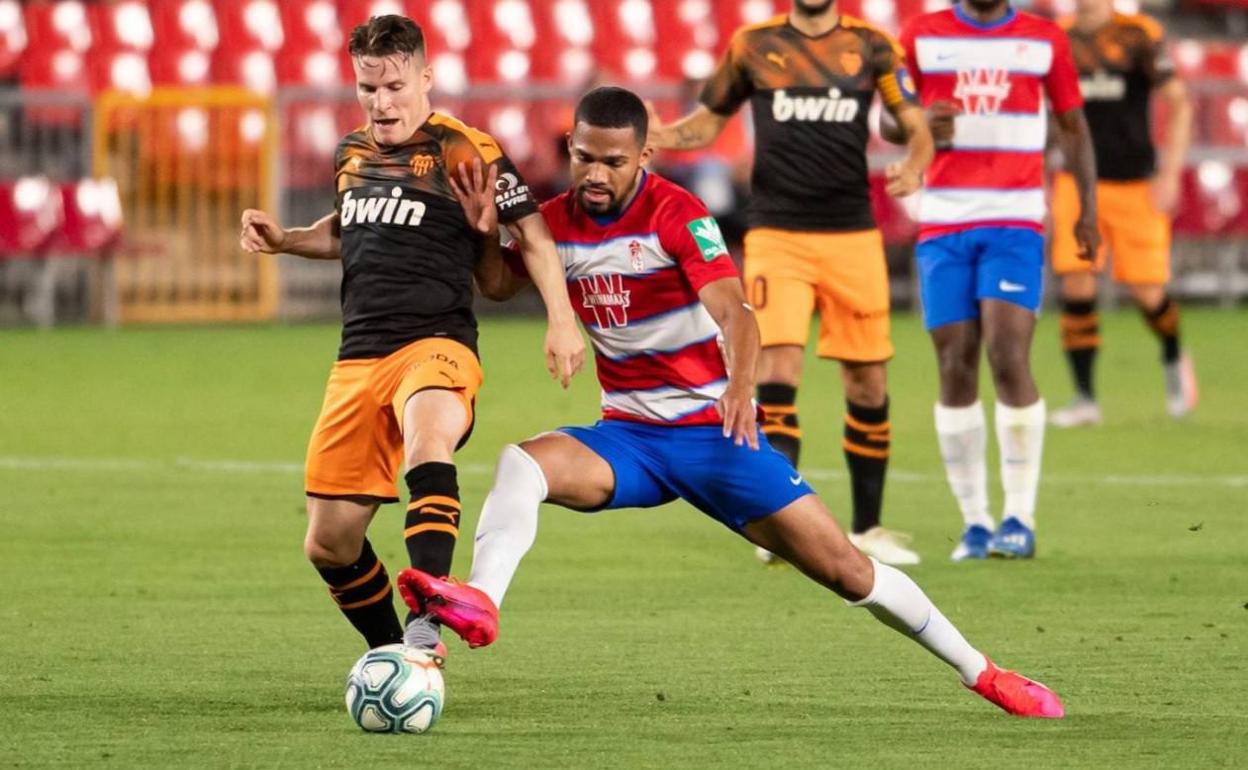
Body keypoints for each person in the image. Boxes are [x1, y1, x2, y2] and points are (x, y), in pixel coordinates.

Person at [398, 86, 1064, 719]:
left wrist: (742, 387)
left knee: (849, 571)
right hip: (628, 437)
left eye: (614, 162)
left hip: (714, 436)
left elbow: (737, 314)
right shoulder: (556, 223)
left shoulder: (676, 214)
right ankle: (482, 600)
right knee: (522, 462)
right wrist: (483, 233)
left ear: (644, 155)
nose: (595, 174)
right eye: (584, 157)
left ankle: (982, 671)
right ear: (570, 146)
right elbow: (499, 286)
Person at [238, 15, 584, 657]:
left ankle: (426, 628)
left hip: (436, 342)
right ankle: (394, 651)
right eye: (368, 88)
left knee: (429, 439)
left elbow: (533, 235)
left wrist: (561, 321)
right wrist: (287, 239)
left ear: (426, 77)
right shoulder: (351, 153)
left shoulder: (464, 148)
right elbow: (349, 229)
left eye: (394, 86)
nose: (381, 102)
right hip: (357, 357)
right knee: (329, 541)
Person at [646, 0, 935, 566]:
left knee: (867, 381)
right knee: (777, 370)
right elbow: (709, 120)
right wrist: (662, 134)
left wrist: (916, 161)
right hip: (777, 233)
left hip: (853, 234)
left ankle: (869, 528)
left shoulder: (872, 46)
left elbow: (915, 123)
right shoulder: (752, 45)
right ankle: (783, 527)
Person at [893, 0, 1100, 560]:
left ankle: (1019, 517)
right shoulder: (920, 34)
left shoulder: (1045, 38)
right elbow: (888, 119)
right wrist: (919, 121)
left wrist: (1087, 211)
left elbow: (1073, 125)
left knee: (1008, 356)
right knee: (954, 364)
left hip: (1015, 221)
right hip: (944, 222)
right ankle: (976, 523)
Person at [1048, 0, 1196, 427]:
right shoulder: (1058, 38)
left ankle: (1173, 355)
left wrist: (1170, 174)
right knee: (1076, 283)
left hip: (1135, 183)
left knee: (1147, 292)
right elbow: (1044, 110)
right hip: (1077, 183)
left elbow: (1180, 103)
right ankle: (1084, 398)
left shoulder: (1138, 35)